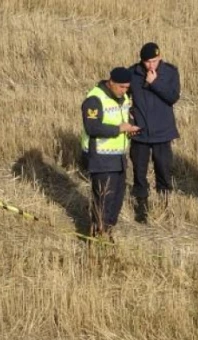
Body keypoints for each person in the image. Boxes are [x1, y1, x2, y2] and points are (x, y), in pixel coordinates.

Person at [81, 67, 139, 238]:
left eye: (127, 87)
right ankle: (97, 236)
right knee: (103, 201)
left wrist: (129, 129)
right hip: (101, 158)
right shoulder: (94, 99)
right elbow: (92, 127)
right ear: (111, 82)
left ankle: (107, 232)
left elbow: (124, 119)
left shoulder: (123, 98)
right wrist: (119, 129)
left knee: (116, 200)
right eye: (121, 87)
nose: (125, 91)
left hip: (119, 157)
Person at [128, 42, 181, 224]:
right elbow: (122, 95)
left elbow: (173, 97)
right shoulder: (133, 73)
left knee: (163, 169)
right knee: (139, 170)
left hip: (162, 132)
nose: (151, 65)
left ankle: (165, 204)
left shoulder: (170, 72)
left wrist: (155, 83)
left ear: (160, 57)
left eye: (154, 61)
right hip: (140, 133)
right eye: (147, 62)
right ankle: (142, 205)